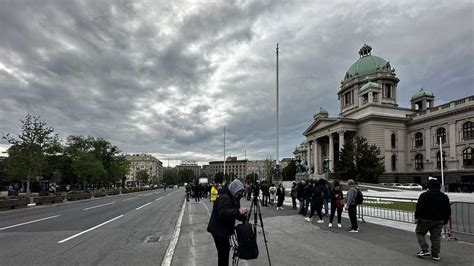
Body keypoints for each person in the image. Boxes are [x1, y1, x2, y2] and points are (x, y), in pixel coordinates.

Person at [207, 179, 248, 266]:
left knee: (224, 252)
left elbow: (233, 211)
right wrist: (239, 212)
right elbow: (223, 213)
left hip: (222, 228)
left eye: (241, 192)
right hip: (219, 230)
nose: (240, 194)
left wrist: (242, 216)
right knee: (223, 254)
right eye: (239, 192)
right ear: (234, 189)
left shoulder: (233, 196)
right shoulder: (224, 197)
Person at [415, 179, 451, 261]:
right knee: (436, 237)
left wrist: (416, 217)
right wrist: (445, 221)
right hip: (439, 220)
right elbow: (447, 210)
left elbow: (419, 207)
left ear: (428, 187)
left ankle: (425, 249)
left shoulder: (424, 195)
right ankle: (435, 254)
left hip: (425, 219)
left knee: (420, 233)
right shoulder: (444, 197)